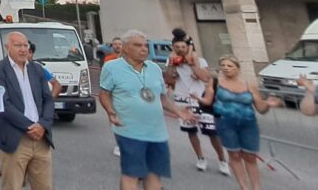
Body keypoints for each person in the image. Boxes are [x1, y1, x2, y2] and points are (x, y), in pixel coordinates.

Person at [99, 30, 196, 190]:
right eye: (138, 45)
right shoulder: (111, 67)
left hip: (157, 132)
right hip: (129, 130)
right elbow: (104, 94)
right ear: (125, 48)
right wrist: (110, 111)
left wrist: (179, 111)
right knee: (131, 174)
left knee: (154, 175)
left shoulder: (154, 68)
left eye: (145, 45)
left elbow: (162, 98)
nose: (144, 49)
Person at [195, 55, 276, 190]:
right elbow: (208, 101)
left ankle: (256, 187)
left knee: (250, 156)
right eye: (223, 66)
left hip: (248, 124)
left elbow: (261, 109)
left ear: (238, 68)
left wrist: (268, 104)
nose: (226, 68)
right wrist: (198, 99)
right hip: (225, 123)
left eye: (230, 66)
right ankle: (244, 187)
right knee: (235, 155)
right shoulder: (216, 82)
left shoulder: (249, 85)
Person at [0, 33, 54, 190]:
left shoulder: (37, 69)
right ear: (7, 47)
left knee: (44, 186)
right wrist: (30, 126)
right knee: (12, 186)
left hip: (41, 139)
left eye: (26, 45)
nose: (23, 49)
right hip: (16, 139)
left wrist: (42, 125)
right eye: (18, 45)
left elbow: (48, 99)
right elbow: (3, 103)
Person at [169, 34, 228, 174]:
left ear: (188, 47)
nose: (180, 49)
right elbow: (169, 80)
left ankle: (222, 160)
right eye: (177, 47)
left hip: (200, 100)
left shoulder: (200, 61)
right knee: (191, 131)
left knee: (212, 132)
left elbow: (205, 77)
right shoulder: (172, 61)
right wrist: (172, 68)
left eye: (183, 47)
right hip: (182, 99)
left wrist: (192, 64)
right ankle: (200, 158)